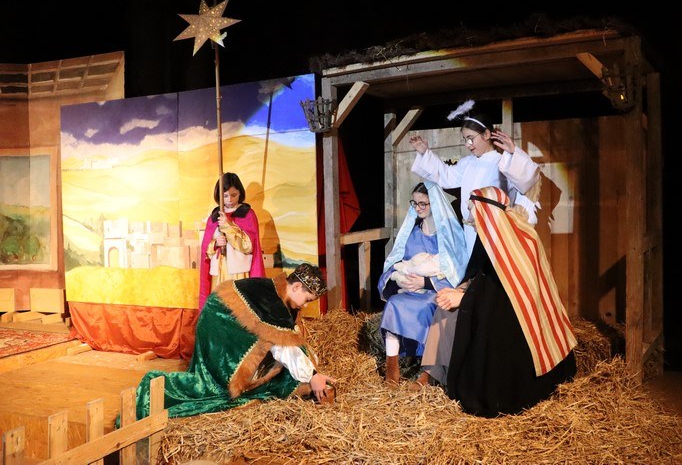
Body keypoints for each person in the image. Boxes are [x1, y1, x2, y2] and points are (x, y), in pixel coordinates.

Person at [410, 100, 541, 387]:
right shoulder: (468, 163)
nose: (468, 145)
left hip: (496, 237)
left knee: (486, 292)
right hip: (471, 236)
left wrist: (512, 152)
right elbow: (446, 177)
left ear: (487, 135)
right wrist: (424, 153)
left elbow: (527, 182)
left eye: (471, 138)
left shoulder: (502, 162)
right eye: (465, 139)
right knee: (464, 289)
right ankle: (442, 367)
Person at [133, 263, 336, 419]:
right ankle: (172, 385)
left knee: (279, 363)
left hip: (224, 320)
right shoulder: (272, 301)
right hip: (219, 323)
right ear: (297, 286)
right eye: (308, 300)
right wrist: (312, 376)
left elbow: (291, 340)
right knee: (215, 385)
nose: (306, 306)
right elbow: (283, 346)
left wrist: (313, 371)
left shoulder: (281, 295)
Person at [442, 186, 577, 417]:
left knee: (488, 323)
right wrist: (463, 289)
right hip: (495, 306)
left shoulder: (520, 237)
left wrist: (465, 298)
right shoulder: (488, 236)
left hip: (515, 321)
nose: (468, 212)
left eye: (472, 207)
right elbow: (481, 274)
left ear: (485, 210)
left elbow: (505, 292)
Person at [376, 182, 468, 385]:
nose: (418, 208)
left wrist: (425, 282)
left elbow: (457, 273)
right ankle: (392, 370)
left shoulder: (448, 236)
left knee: (429, 307)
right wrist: (398, 278)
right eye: (415, 203)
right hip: (410, 291)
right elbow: (395, 263)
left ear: (435, 203)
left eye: (423, 203)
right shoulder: (412, 234)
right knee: (394, 304)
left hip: (435, 292)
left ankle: (429, 371)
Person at [199, 172, 265, 309]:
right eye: (225, 196)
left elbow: (248, 246)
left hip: (239, 273)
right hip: (219, 272)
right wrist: (215, 244)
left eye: (234, 195)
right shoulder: (214, 216)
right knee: (220, 309)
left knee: (237, 309)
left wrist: (228, 226)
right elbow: (206, 251)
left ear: (240, 193)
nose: (230, 199)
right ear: (219, 195)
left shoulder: (247, 214)